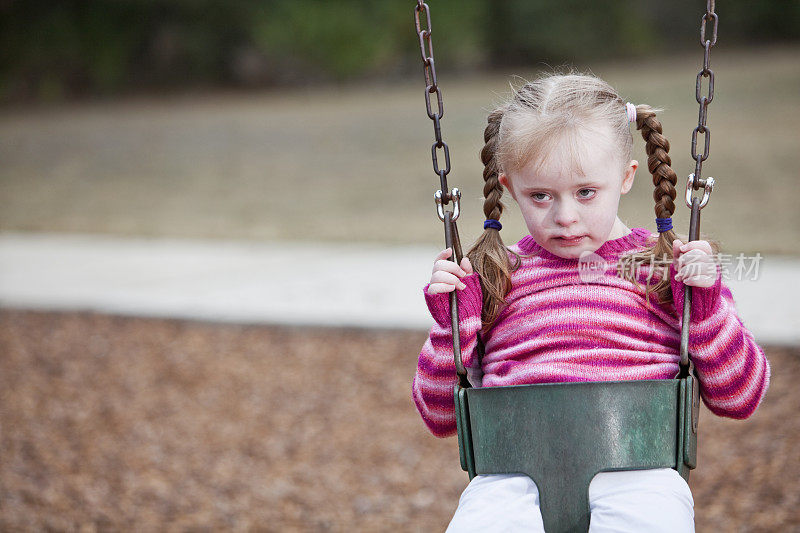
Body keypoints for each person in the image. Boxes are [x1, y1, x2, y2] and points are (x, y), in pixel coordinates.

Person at [411, 72, 770, 532]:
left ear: (625, 178)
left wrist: (706, 309)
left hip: (638, 473)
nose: (565, 216)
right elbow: (441, 416)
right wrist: (452, 324)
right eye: (539, 195)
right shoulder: (496, 276)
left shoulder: (665, 271)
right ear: (510, 186)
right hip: (511, 476)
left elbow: (740, 398)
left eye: (585, 192)